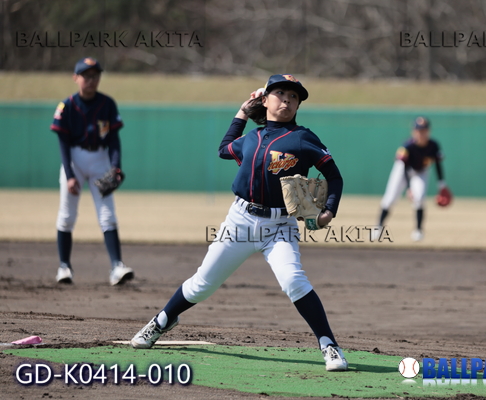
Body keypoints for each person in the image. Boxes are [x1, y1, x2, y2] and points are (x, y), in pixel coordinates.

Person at [130, 74, 348, 372]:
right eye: (280, 93)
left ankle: (329, 344)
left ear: (298, 105)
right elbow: (224, 149)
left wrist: (329, 211)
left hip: (280, 226)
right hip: (240, 221)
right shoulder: (251, 138)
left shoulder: (303, 138)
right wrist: (242, 113)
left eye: (294, 97)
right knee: (201, 285)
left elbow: (334, 176)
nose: (287, 100)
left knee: (294, 281)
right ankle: (162, 321)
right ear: (265, 99)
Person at [50, 57, 134, 286]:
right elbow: (63, 143)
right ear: (75, 78)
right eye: (86, 75)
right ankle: (64, 267)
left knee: (107, 215)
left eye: (95, 75)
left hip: (99, 159)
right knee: (67, 215)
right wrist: (69, 175)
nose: (91, 79)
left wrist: (115, 167)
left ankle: (117, 266)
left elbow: (114, 139)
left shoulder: (107, 103)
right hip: (74, 159)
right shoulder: (67, 106)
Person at [374, 117, 446, 242]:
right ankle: (378, 227)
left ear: (428, 131)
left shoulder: (433, 145)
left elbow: (438, 164)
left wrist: (442, 185)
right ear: (414, 131)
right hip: (402, 170)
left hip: (421, 171)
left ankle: (418, 231)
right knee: (390, 198)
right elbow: (405, 167)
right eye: (418, 130)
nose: (421, 133)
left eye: (423, 130)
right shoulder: (407, 146)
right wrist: (409, 188)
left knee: (420, 198)